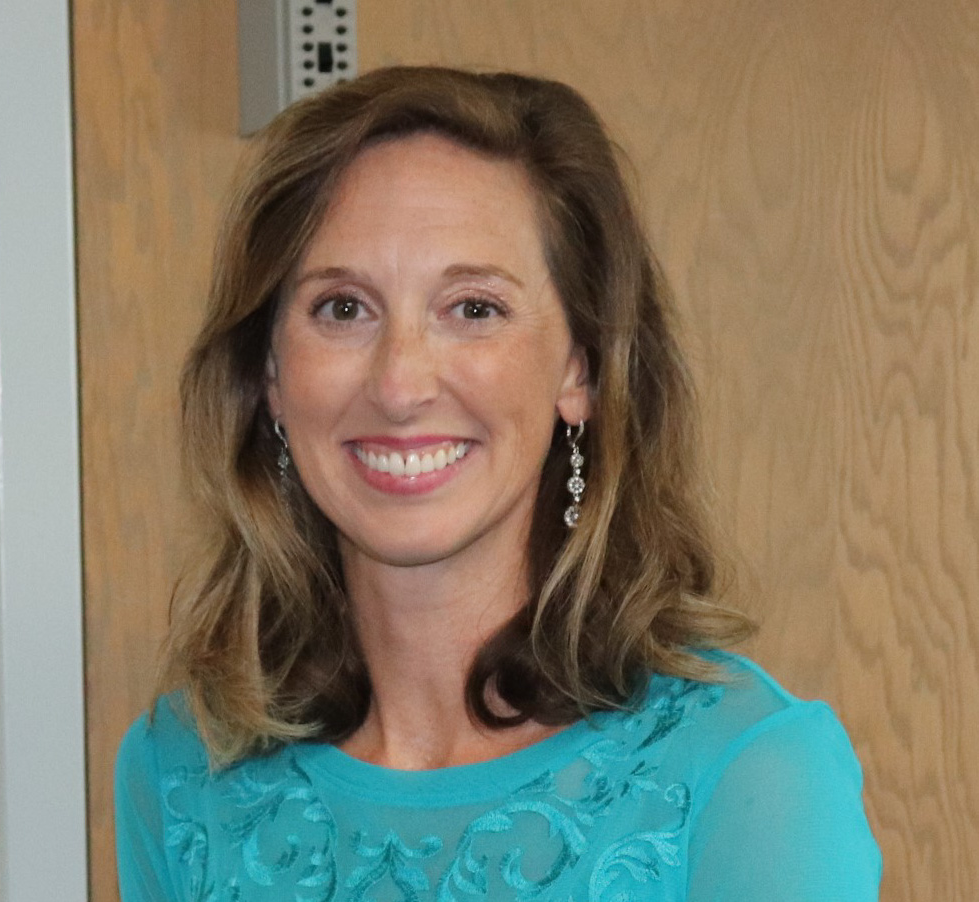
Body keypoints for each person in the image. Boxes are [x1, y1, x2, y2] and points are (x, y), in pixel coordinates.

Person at [115, 66, 881, 901]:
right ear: (269, 375)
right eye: (342, 309)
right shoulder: (180, 773)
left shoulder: (750, 776)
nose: (400, 384)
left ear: (580, 368)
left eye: (473, 308)